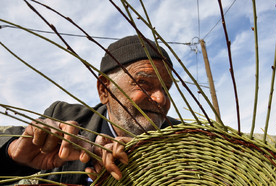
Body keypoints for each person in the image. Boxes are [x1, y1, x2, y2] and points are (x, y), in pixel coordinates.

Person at [0, 35, 180, 185]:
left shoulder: (181, 140)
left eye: (166, 88)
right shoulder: (63, 116)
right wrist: (13, 154)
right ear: (104, 89)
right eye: (144, 83)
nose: (160, 98)